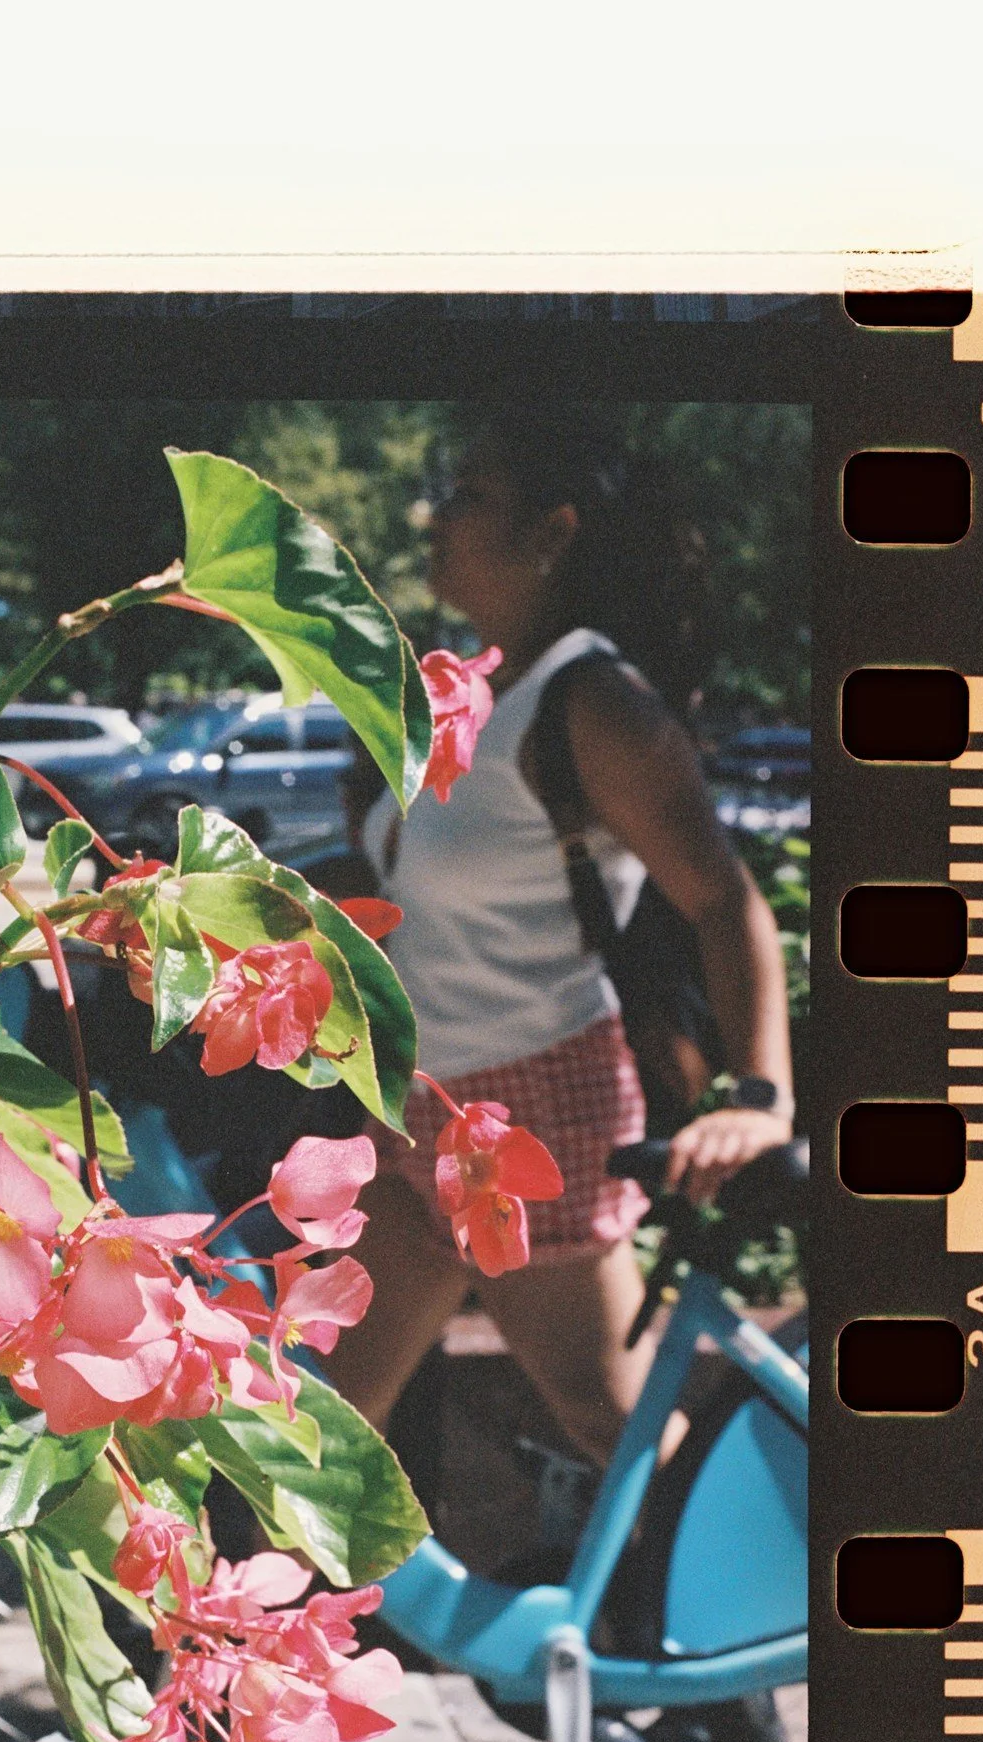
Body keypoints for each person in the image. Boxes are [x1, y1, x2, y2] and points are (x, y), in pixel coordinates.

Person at [327, 410, 795, 1468]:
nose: (433, 514)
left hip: (535, 1106)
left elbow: (725, 900)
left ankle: (773, 1608)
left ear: (554, 534)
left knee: (612, 1422)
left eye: (468, 495)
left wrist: (763, 1101)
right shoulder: (471, 693)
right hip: (419, 1104)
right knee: (327, 1426)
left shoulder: (593, 702)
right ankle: (263, 1637)